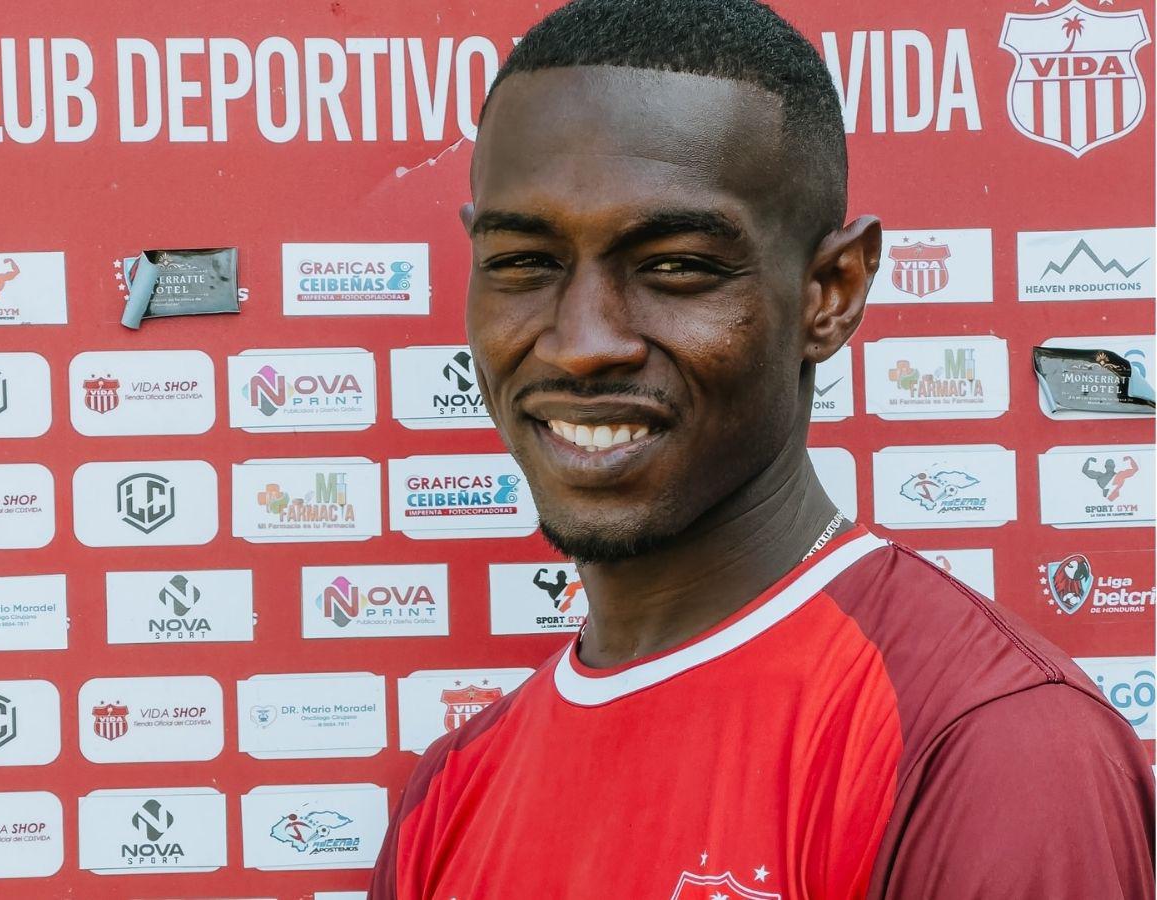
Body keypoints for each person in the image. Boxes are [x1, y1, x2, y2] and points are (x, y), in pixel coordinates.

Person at [371, 0, 1155, 896]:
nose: (582, 343)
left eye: (676, 265)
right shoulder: (451, 791)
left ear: (830, 292)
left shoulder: (987, 743)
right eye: (524, 263)